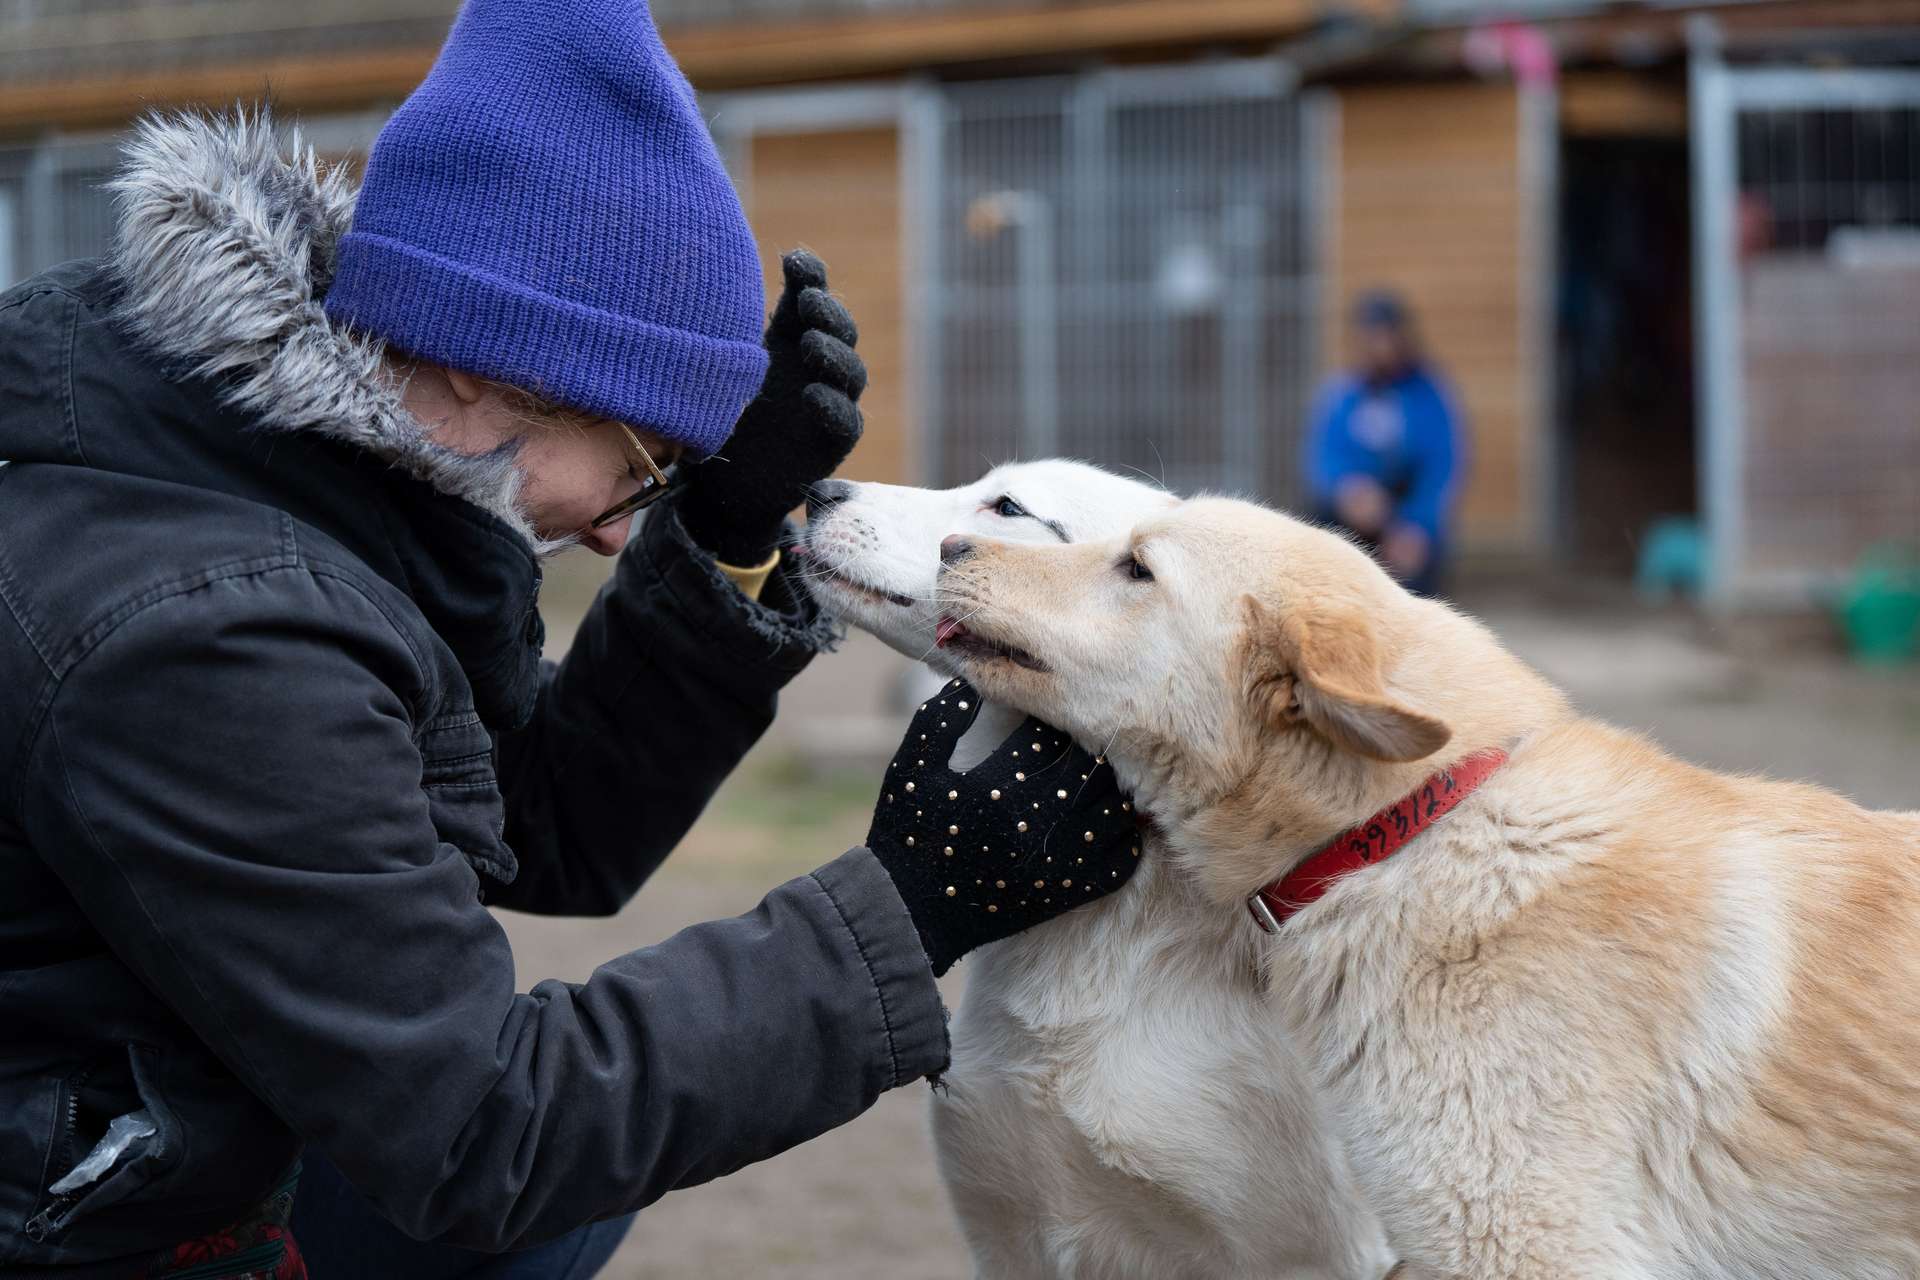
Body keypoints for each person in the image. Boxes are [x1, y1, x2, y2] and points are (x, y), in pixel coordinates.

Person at [0, 2, 1140, 1276]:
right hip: (74, 1213)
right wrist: (914, 902)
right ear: (494, 373)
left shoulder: (315, 476)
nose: (614, 538)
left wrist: (716, 538)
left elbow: (532, 824)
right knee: (539, 1184)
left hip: (139, 1109)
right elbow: (483, 1129)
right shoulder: (205, 630)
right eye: (644, 469)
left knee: (571, 1196)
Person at [1304, 290, 1465, 596]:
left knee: (1414, 581)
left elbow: (1441, 469)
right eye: (1368, 338)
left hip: (1406, 515)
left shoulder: (1430, 396)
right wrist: (1347, 489)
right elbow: (1324, 456)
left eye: (1383, 337)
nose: (1376, 347)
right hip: (1354, 512)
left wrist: (1416, 525)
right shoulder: (1342, 393)